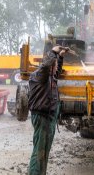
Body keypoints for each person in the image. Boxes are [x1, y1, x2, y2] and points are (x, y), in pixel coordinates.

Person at [28, 45, 68, 175]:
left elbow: (56, 72)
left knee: (45, 150)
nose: (56, 67)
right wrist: (52, 52)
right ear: (50, 66)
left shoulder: (50, 77)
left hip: (49, 117)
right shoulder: (39, 76)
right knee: (39, 151)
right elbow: (46, 66)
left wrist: (60, 56)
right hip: (42, 117)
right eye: (55, 65)